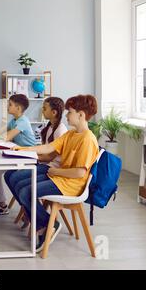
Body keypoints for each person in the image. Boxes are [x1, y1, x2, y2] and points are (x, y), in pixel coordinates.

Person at [11, 95, 99, 252]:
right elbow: (48, 148)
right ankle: (43, 224)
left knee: (26, 191)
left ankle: (46, 225)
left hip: (71, 185)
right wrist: (22, 149)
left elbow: (79, 173)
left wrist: (55, 171)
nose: (66, 115)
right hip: (60, 178)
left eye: (69, 112)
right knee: (20, 186)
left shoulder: (87, 139)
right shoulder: (71, 134)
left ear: (81, 114)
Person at [4, 97, 67, 218]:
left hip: (51, 169)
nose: (42, 110)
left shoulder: (60, 131)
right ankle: (29, 212)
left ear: (54, 112)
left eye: (44, 108)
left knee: (16, 179)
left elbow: (49, 157)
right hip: (44, 164)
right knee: (9, 175)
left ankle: (36, 218)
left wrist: (27, 154)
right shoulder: (49, 127)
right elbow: (45, 151)